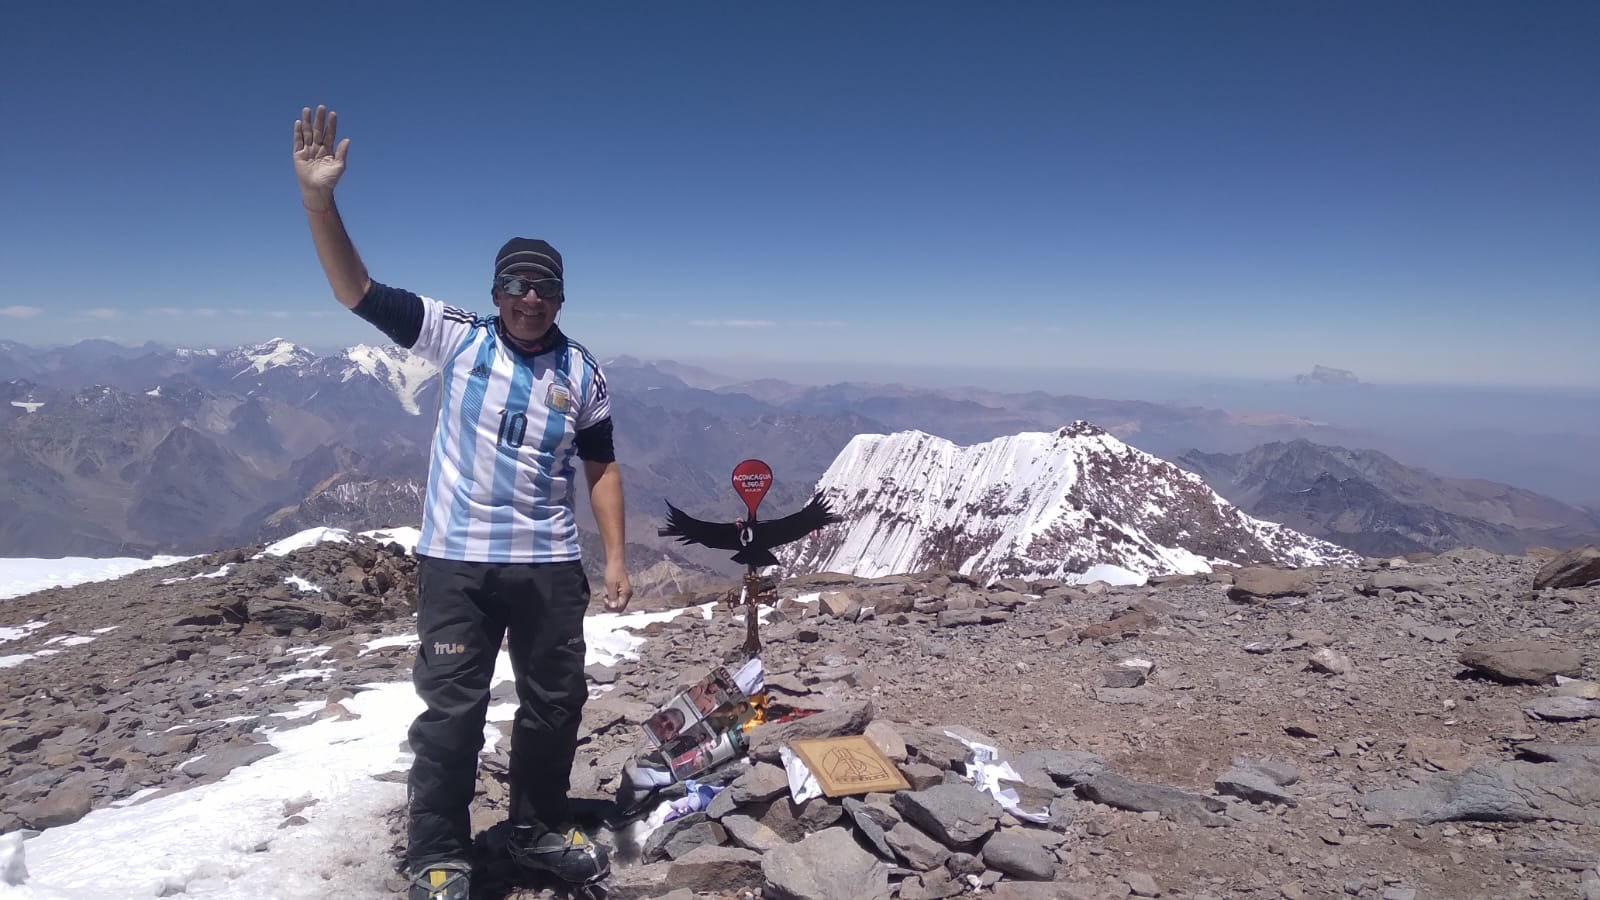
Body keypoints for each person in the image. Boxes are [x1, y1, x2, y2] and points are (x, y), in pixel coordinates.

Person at [291, 104, 632, 900]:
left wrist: (613, 556)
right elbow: (356, 290)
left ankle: (537, 828)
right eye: (517, 284)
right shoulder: (457, 336)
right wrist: (319, 201)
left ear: (561, 298)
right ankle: (436, 853)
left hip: (550, 567)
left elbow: (603, 468)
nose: (530, 298)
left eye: (545, 288)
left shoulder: (584, 375)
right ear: (496, 289)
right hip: (458, 565)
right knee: (452, 714)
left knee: (555, 708)